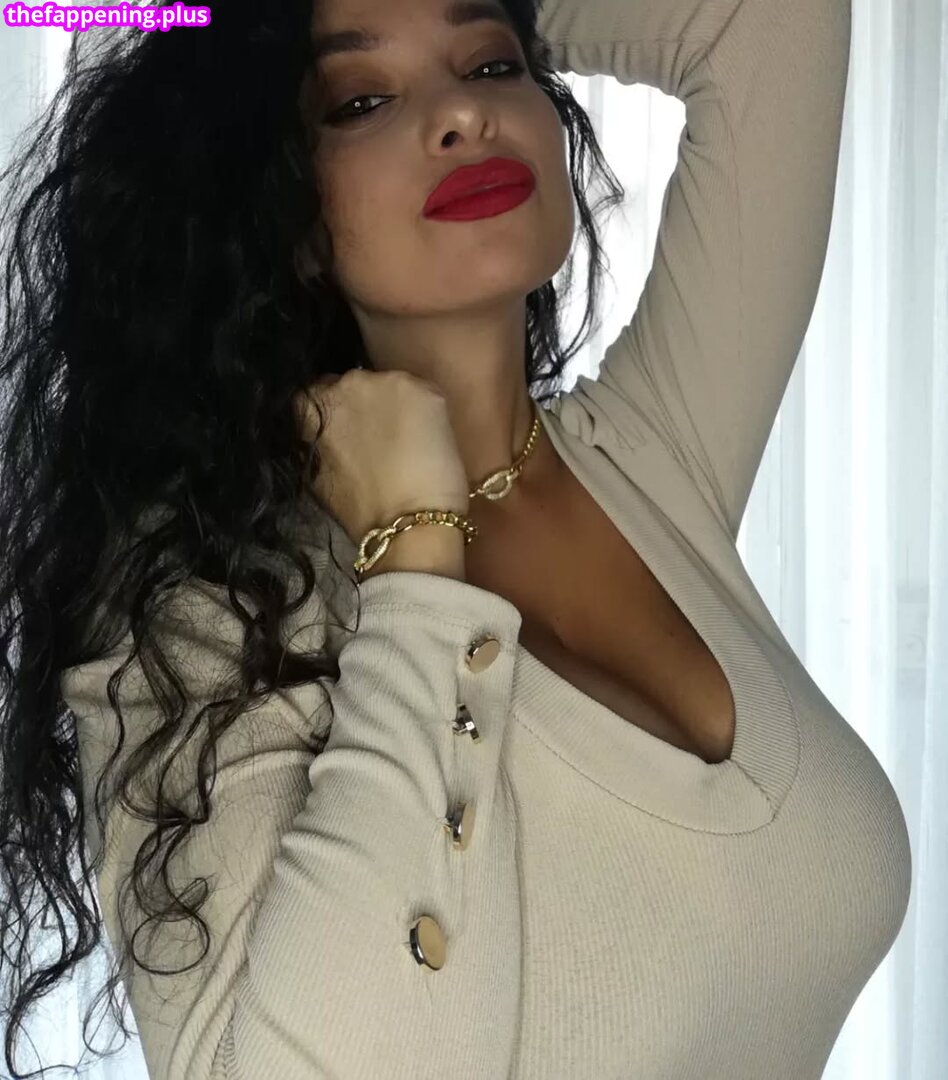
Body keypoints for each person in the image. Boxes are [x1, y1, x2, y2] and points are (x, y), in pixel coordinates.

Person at [0, 0, 911, 1077]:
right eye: (362, 101)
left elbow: (766, 20)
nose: (464, 115)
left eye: (491, 62)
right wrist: (417, 569)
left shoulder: (651, 456)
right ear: (279, 206)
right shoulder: (204, 618)